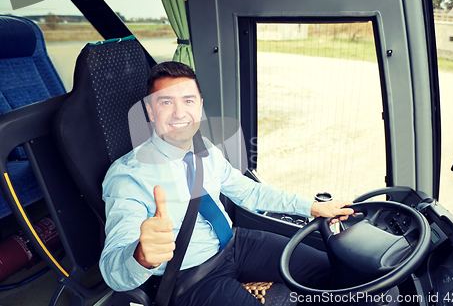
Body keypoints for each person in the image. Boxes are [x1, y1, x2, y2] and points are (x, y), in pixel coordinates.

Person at [99, 61, 355, 306]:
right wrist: (141, 257)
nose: (179, 112)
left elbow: (249, 192)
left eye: (188, 100)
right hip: (192, 275)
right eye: (166, 102)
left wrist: (312, 206)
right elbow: (113, 273)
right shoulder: (127, 176)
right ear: (151, 111)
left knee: (335, 271)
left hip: (235, 243)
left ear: (199, 105)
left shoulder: (205, 149)